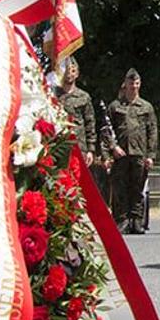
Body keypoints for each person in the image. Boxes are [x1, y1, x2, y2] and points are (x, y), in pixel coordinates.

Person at [56, 57, 111, 215]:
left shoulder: (84, 97)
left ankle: (78, 215)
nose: (69, 73)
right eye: (66, 70)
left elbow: (90, 123)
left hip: (80, 147)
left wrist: (91, 150)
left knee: (79, 184)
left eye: (73, 70)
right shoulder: (54, 95)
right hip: (59, 146)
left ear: (77, 73)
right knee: (60, 181)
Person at [106, 69, 158, 235]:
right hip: (120, 153)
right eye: (130, 83)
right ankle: (122, 220)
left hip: (139, 153)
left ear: (139, 84)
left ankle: (136, 220)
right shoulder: (115, 106)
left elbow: (152, 131)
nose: (133, 86)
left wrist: (151, 155)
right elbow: (106, 130)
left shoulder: (146, 107)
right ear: (125, 84)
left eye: (136, 83)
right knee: (120, 188)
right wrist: (113, 147)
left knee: (138, 188)